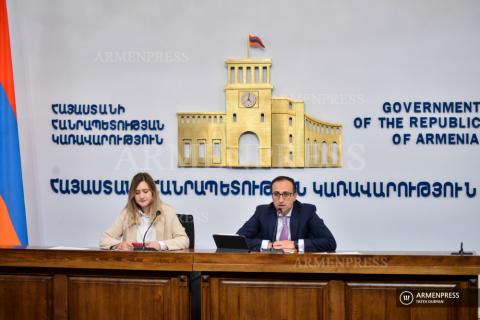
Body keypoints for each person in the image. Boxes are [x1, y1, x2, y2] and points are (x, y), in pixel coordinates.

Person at [237, 176, 336, 252]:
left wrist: (295, 244)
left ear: (294, 196)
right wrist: (267, 245)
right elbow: (238, 240)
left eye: (285, 194)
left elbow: (330, 242)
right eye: (276, 194)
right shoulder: (262, 212)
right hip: (268, 266)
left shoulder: (307, 212)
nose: (280, 200)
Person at [100, 172, 189, 251]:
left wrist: (161, 245)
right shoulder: (127, 213)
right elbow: (104, 239)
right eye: (137, 192)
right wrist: (119, 245)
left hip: (161, 265)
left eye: (145, 191)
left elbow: (184, 240)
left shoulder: (167, 212)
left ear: (153, 192)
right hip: (133, 264)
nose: (141, 196)